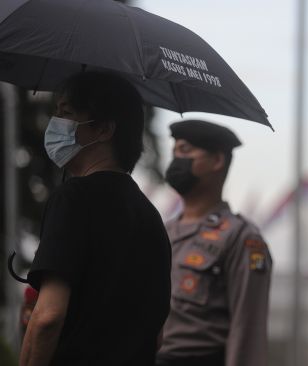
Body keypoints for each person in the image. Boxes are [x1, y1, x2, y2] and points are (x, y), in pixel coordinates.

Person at [20, 71, 172, 366]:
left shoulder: (74, 198)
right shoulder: (150, 215)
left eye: (67, 113)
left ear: (103, 129)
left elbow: (48, 316)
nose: (55, 124)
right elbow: (157, 334)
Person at [156, 120, 273, 366]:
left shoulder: (241, 238)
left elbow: (247, 329)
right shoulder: (162, 232)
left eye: (185, 151)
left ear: (217, 161)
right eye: (174, 151)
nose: (176, 160)